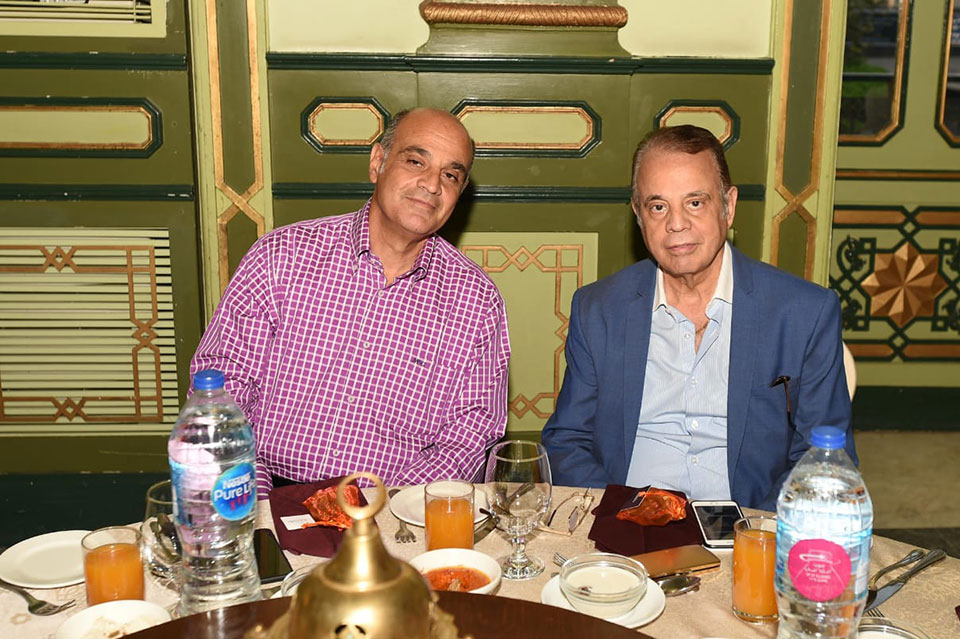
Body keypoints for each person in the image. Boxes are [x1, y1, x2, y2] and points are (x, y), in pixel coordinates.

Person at [191, 108, 511, 497]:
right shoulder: (281, 256)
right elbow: (222, 391)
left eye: (450, 176)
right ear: (377, 163)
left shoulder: (476, 299)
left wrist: (387, 508)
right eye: (415, 161)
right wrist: (258, 500)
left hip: (396, 508)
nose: (431, 185)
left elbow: (469, 435)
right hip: (269, 492)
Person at [541, 125, 853, 510]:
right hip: (629, 523)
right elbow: (567, 441)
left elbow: (823, 461)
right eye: (658, 207)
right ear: (638, 215)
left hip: (747, 527)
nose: (676, 224)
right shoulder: (599, 309)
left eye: (695, 203)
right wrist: (620, 516)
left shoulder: (803, 313)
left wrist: (755, 530)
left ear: (728, 206)